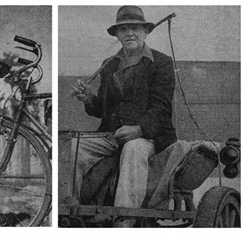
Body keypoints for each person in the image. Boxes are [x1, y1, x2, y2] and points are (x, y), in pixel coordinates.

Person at [71, 5, 176, 226]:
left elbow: (162, 108)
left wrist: (139, 130)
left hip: (149, 137)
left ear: (146, 32)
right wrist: (89, 99)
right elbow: (104, 109)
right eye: (124, 29)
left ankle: (124, 221)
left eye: (135, 28)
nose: (130, 33)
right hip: (111, 135)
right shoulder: (109, 65)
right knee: (72, 146)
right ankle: (71, 213)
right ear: (117, 35)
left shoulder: (161, 63)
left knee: (133, 148)